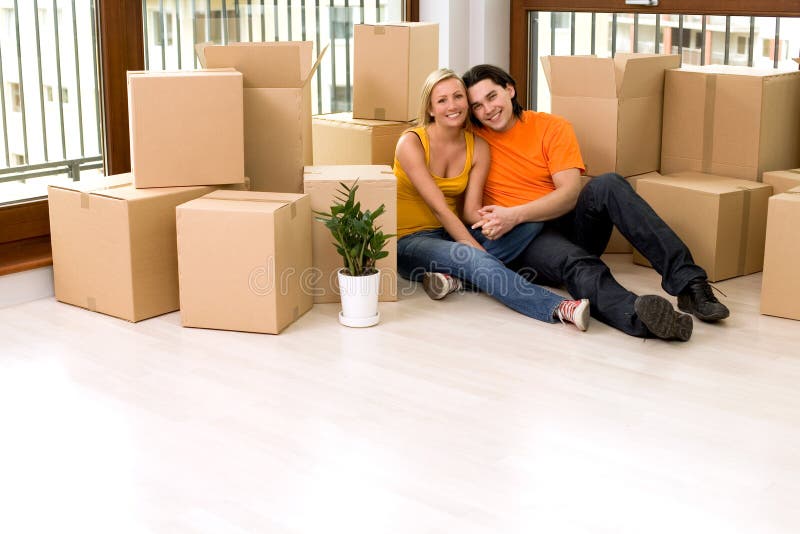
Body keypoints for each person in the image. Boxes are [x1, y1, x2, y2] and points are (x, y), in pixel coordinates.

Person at [462, 64, 730, 342]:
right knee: (576, 262)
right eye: (477, 105)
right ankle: (644, 318)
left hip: (553, 220)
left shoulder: (550, 127)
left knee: (608, 184)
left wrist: (515, 215)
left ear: (509, 89)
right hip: (526, 242)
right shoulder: (472, 138)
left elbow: (568, 194)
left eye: (492, 96)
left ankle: (690, 285)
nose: (487, 109)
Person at [394, 68, 590, 331]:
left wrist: (502, 220)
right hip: (410, 242)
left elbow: (470, 212)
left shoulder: (478, 146)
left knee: (528, 220)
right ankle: (559, 307)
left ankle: (458, 278)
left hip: (451, 234)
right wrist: (479, 257)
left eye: (458, 97)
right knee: (471, 258)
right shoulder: (411, 143)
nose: (452, 106)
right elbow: (441, 210)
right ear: (430, 109)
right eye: (442, 101)